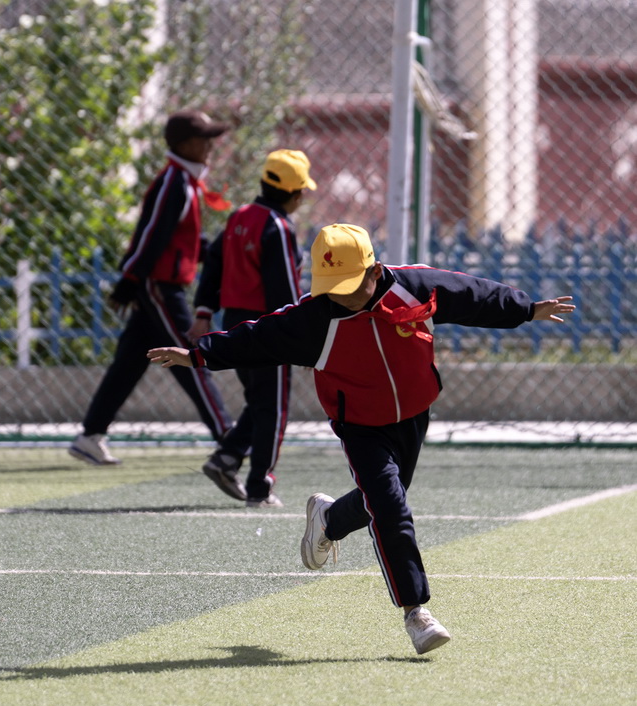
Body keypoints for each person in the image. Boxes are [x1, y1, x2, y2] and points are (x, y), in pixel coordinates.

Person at [147, 223, 574, 654]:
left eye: (350, 284)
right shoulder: (314, 319)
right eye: (332, 286)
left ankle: (328, 520)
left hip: (413, 414)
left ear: (374, 270)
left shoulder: (412, 286)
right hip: (361, 426)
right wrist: (198, 355)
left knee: (383, 499)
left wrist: (525, 309)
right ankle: (416, 613)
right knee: (390, 506)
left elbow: (470, 295)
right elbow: (257, 336)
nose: (342, 295)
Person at [68, 109, 234, 466]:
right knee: (193, 357)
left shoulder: (185, 182)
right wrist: (130, 280)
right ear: (186, 144)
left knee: (129, 363)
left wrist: (221, 253)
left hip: (159, 284)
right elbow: (151, 235)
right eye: (204, 139)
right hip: (159, 286)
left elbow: (181, 242)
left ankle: (90, 435)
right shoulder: (173, 182)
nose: (210, 146)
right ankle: (229, 438)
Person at [188, 149, 317, 507]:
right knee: (273, 407)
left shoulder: (239, 217)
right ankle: (260, 487)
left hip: (234, 323)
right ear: (296, 194)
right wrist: (301, 337)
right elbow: (285, 292)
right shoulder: (278, 227)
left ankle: (226, 458)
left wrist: (203, 312)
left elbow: (213, 265)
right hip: (268, 328)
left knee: (261, 401)